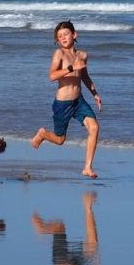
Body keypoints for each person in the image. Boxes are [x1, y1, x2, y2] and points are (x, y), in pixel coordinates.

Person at [30, 21, 102, 179]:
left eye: (66, 34)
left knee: (94, 128)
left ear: (74, 35)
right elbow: (51, 76)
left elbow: (84, 76)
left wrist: (95, 94)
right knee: (60, 139)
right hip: (63, 103)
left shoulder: (82, 55)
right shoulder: (59, 54)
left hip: (79, 101)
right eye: (59, 36)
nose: (62, 37)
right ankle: (42, 134)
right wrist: (71, 68)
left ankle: (87, 167)